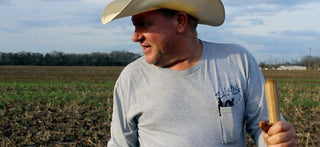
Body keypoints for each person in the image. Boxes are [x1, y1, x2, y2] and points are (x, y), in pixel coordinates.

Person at [101, 0, 297, 146]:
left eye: (144, 24)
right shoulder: (131, 78)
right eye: (134, 26)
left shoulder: (237, 60)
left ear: (179, 22)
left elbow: (264, 129)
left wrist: (278, 139)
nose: (135, 36)